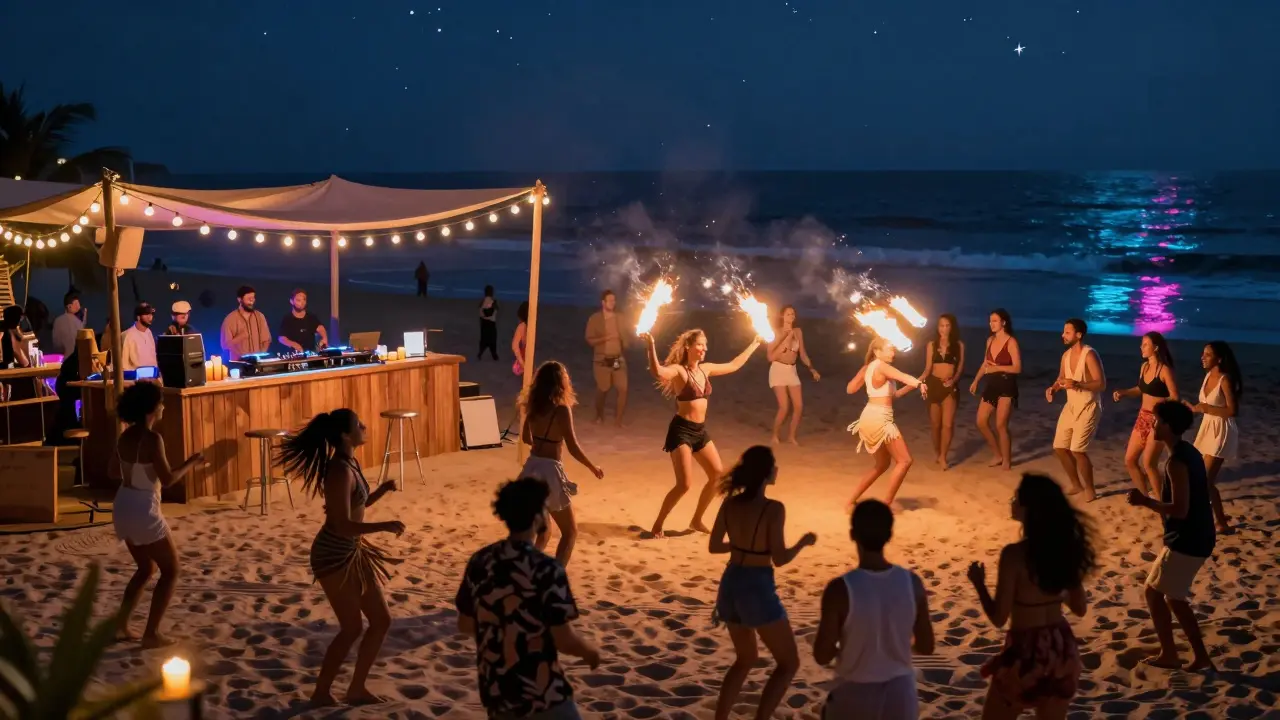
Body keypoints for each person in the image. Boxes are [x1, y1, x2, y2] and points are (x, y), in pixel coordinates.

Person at [278, 409, 405, 706]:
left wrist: (381, 492)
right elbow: (342, 524)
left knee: (381, 621)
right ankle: (321, 692)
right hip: (332, 555)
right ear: (346, 436)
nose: (365, 426)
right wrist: (384, 526)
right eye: (359, 424)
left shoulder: (351, 463)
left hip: (351, 551)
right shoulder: (339, 471)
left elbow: (356, 503)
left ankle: (356, 689)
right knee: (352, 628)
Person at [456, 478, 601, 720]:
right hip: (539, 690)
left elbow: (465, 624)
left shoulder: (480, 561)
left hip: (496, 688)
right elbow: (563, 639)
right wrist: (589, 652)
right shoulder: (546, 569)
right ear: (538, 517)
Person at [968, 474, 1096, 719]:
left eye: (1016, 498)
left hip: (1026, 650)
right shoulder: (1063, 550)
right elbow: (1080, 608)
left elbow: (999, 617)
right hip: (1060, 647)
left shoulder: (1014, 555)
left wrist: (979, 584)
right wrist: (1052, 585)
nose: (1012, 502)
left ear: (1029, 509)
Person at [709, 446, 816, 720]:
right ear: (767, 473)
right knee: (789, 663)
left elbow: (714, 546)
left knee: (744, 659)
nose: (777, 469)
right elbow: (779, 558)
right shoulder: (773, 509)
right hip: (756, 586)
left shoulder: (730, 503)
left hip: (731, 582)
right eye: (774, 465)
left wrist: (741, 545)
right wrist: (803, 543)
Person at [814, 500, 934, 720]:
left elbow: (822, 654)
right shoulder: (912, 583)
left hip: (854, 694)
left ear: (852, 534)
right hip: (900, 695)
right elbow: (926, 646)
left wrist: (848, 647)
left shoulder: (840, 590)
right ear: (889, 536)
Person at [108, 382, 205, 647]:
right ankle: (151, 634)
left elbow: (113, 472)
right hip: (142, 507)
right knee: (171, 570)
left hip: (123, 504)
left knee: (145, 567)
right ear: (151, 409)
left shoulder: (124, 436)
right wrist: (192, 462)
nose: (163, 406)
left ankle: (120, 626)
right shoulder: (152, 439)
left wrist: (135, 471)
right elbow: (169, 478)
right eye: (160, 403)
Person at [641, 328, 762, 538]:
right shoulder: (679, 371)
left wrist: (754, 343)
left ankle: (696, 520)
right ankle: (658, 525)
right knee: (684, 485)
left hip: (700, 432)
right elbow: (658, 372)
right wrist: (651, 345)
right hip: (681, 431)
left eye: (705, 344)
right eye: (700, 344)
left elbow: (734, 365)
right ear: (688, 346)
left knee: (717, 475)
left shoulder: (706, 370)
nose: (704, 348)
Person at [1127, 400, 1217, 673]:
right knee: (1167, 596)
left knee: (1160, 595)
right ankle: (1186, 654)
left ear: (1167, 426)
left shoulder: (1177, 461)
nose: (1152, 424)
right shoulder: (1188, 451)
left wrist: (1145, 502)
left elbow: (1180, 508)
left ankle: (1179, 655)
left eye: (1156, 421)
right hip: (1196, 535)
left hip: (1188, 539)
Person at [518, 360, 604, 566]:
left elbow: (526, 438)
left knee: (544, 532)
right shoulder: (561, 410)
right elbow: (573, 447)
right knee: (570, 532)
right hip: (549, 471)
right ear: (559, 382)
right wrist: (593, 467)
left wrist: (542, 440)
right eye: (565, 376)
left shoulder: (533, 405)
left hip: (531, 468)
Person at [846, 338, 927, 506]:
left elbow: (851, 389)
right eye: (889, 349)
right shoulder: (882, 366)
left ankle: (850, 501)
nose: (893, 352)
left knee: (882, 465)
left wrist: (915, 384)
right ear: (877, 352)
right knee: (905, 461)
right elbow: (903, 376)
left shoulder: (871, 368)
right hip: (880, 419)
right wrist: (918, 383)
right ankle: (886, 505)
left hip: (868, 417)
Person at [1113, 331, 1179, 498]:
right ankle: (1144, 496)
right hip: (1143, 417)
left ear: (1155, 348)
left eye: (1145, 344)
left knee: (1149, 463)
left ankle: (1161, 501)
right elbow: (1141, 389)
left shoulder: (1164, 370)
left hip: (1159, 421)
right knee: (1130, 460)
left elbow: (1175, 397)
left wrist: (1163, 412)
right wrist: (1124, 392)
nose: (1141, 347)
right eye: (1141, 344)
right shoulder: (1144, 367)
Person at [1046, 318, 1106, 501]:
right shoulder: (1065, 356)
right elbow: (1061, 378)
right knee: (1059, 447)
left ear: (1078, 335)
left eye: (1067, 332)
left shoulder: (1089, 354)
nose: (1063, 335)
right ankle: (1076, 484)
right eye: (1063, 332)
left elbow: (1101, 384)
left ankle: (1090, 488)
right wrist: (1053, 389)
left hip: (1089, 406)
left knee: (1078, 450)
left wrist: (1078, 384)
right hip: (1071, 406)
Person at [1186, 341, 1240, 533]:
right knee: (1205, 481)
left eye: (1207, 354)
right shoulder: (1208, 375)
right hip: (1207, 428)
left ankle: (1209, 522)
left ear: (1219, 358)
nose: (1202, 357)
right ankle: (1221, 522)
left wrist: (1206, 408)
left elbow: (1232, 411)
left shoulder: (1225, 379)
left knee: (1203, 481)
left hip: (1222, 430)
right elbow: (1204, 405)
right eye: (1203, 353)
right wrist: (1193, 409)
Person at [970, 309, 1021, 471]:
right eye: (990, 321)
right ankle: (997, 454)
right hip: (992, 385)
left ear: (1003, 323)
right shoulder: (990, 340)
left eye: (995, 321)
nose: (991, 324)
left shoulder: (1011, 342)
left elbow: (1017, 368)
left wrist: (997, 368)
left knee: (1000, 425)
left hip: (1007, 386)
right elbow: (985, 364)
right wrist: (976, 380)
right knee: (981, 421)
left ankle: (1006, 460)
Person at [766, 305, 820, 445]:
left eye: (793, 314)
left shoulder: (798, 332)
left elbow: (802, 354)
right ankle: (775, 435)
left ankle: (791, 436)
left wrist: (812, 369)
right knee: (784, 407)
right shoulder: (775, 332)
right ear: (782, 316)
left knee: (799, 406)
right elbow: (770, 357)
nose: (791, 316)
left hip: (792, 370)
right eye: (788, 314)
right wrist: (784, 336)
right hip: (778, 369)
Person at [918, 313, 964, 469]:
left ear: (952, 327)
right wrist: (917, 381)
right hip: (934, 385)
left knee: (948, 425)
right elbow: (927, 368)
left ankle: (943, 457)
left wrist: (953, 380)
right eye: (941, 326)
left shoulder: (959, 345)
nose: (944, 329)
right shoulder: (931, 344)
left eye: (947, 325)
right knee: (935, 425)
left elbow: (959, 369)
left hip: (950, 387)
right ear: (937, 328)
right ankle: (938, 453)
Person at [585, 290, 630, 426]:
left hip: (617, 359)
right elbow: (590, 340)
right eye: (609, 300)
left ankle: (618, 421)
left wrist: (627, 340)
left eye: (614, 300)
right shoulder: (595, 319)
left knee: (623, 388)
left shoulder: (620, 318)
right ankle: (599, 415)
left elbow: (627, 338)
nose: (612, 303)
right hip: (602, 360)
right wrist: (607, 338)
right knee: (603, 388)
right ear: (603, 302)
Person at [220, 286, 271, 361]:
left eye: (253, 298)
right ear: (239, 300)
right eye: (248, 298)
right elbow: (225, 345)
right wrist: (240, 337)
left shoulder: (260, 316)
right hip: (239, 364)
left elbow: (267, 340)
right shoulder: (230, 319)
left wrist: (261, 356)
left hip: (258, 362)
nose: (252, 300)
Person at [277, 289, 329, 353]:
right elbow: (281, 338)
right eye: (298, 300)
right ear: (291, 301)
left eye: (304, 300)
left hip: (311, 354)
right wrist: (294, 344)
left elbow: (320, 328)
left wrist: (324, 338)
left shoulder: (311, 317)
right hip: (294, 356)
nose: (302, 302)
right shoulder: (287, 318)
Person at [120, 303, 158, 371]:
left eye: (151, 314)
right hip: (136, 377)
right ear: (138, 317)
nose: (150, 317)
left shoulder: (149, 333)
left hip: (151, 375)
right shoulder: (128, 335)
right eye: (146, 314)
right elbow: (123, 363)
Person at [51, 290, 85, 356]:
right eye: (77, 305)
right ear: (69, 306)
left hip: (64, 360)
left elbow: (56, 345)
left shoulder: (57, 321)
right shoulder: (78, 322)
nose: (79, 307)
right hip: (76, 359)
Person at [478, 285, 499, 360]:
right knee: (492, 340)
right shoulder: (493, 302)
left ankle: (480, 353)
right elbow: (495, 310)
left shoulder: (482, 302)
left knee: (484, 340)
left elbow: (480, 313)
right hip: (491, 324)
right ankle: (494, 356)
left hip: (484, 324)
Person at [511, 301, 529, 376]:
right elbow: (515, 345)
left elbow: (515, 345)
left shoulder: (526, 326)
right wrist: (522, 363)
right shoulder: (523, 326)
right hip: (526, 359)